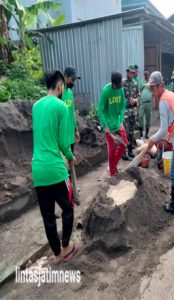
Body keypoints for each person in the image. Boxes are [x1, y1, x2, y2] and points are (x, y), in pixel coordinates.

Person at [32, 69, 79, 266]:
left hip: (38, 170)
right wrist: (70, 156)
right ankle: (66, 246)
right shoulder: (61, 106)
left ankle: (57, 254)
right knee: (68, 208)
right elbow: (62, 141)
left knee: (48, 216)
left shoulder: (36, 106)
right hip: (56, 169)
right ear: (60, 85)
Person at [147, 71, 174, 214]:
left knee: (173, 173)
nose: (152, 92)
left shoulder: (163, 101)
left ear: (160, 86)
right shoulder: (170, 94)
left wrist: (151, 140)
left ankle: (173, 206)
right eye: (151, 89)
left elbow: (163, 129)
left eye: (153, 88)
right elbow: (170, 125)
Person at [97, 71, 127, 177]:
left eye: (120, 85)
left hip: (118, 123)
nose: (119, 87)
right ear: (112, 82)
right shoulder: (106, 91)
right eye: (117, 85)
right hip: (108, 125)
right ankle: (112, 173)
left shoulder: (121, 89)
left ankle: (113, 165)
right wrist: (105, 126)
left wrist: (121, 120)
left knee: (124, 144)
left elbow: (123, 106)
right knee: (111, 148)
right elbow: (100, 109)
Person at [122, 64, 140, 159]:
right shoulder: (123, 83)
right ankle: (123, 152)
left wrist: (136, 100)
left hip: (133, 111)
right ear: (127, 72)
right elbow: (120, 98)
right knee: (125, 132)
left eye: (133, 73)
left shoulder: (135, 83)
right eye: (130, 72)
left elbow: (138, 95)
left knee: (131, 132)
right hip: (125, 112)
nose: (132, 74)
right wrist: (129, 101)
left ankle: (129, 151)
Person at [62, 67, 81, 153]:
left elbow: (72, 113)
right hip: (62, 135)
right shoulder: (59, 93)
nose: (74, 82)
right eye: (72, 79)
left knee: (71, 161)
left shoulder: (70, 92)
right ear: (65, 77)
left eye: (75, 80)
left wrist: (76, 130)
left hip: (70, 134)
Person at [138, 69, 152, 139]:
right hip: (142, 102)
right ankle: (141, 132)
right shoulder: (142, 82)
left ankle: (146, 134)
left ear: (149, 75)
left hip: (149, 103)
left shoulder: (151, 82)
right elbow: (139, 91)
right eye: (145, 74)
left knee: (148, 118)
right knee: (140, 116)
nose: (146, 75)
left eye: (147, 74)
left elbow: (153, 90)